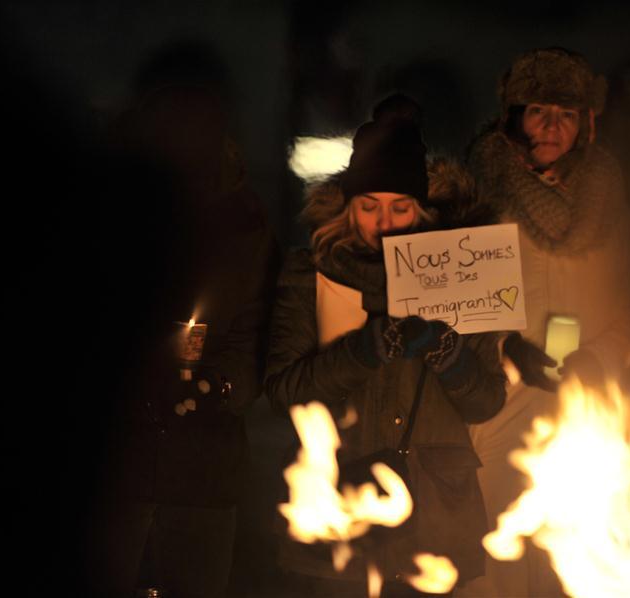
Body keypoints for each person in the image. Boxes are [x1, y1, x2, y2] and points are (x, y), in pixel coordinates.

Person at [264, 94, 506, 596]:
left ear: (421, 208)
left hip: (436, 517)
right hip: (338, 509)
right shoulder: (313, 274)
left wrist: (450, 357)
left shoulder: (464, 273)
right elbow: (284, 391)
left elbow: (486, 401)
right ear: (348, 206)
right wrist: (360, 352)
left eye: (400, 207)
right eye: (369, 206)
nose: (385, 222)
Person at [458, 48, 630, 597]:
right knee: (501, 557)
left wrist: (599, 357)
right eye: (538, 110)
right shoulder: (476, 195)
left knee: (575, 561)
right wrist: (504, 348)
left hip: (586, 408)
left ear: (584, 124)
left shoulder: (611, 205)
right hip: (499, 409)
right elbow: (448, 304)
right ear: (514, 116)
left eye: (565, 114)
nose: (550, 126)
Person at [88, 82, 280, 598]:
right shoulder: (102, 220)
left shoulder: (244, 227)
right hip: (112, 470)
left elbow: (255, 333)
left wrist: (214, 387)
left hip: (203, 470)